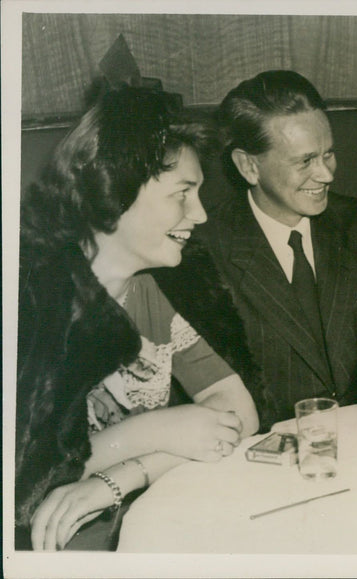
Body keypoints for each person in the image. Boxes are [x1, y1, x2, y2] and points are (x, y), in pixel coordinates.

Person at [15, 86, 260, 551]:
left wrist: (118, 479)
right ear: (116, 189)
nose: (201, 214)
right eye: (182, 194)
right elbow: (21, 476)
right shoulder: (31, 302)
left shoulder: (150, 290)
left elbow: (238, 411)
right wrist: (156, 429)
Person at [200, 70, 357, 430]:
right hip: (265, 449)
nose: (326, 174)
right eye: (305, 161)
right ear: (248, 166)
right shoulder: (206, 247)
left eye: (328, 154)